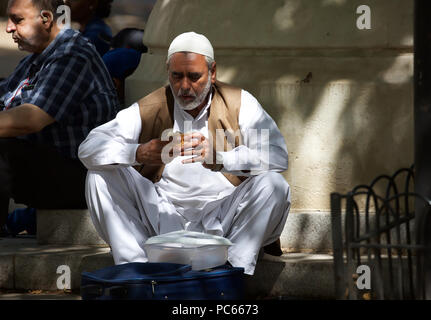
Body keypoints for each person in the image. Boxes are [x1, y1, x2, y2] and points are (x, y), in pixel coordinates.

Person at [78, 32, 291, 275]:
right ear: (167, 71)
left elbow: (277, 156)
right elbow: (88, 149)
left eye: (194, 76)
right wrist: (139, 152)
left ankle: (231, 272)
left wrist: (221, 159)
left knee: (274, 184)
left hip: (224, 219)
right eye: (176, 76)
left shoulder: (240, 102)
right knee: (99, 175)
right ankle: (136, 270)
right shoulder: (150, 107)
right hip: (162, 218)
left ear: (212, 72)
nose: (184, 86)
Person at [0, 0, 119, 235]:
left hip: (84, 179)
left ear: (45, 19)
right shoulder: (37, 57)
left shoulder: (73, 54)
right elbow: (5, 98)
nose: (8, 28)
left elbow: (32, 119)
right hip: (54, 167)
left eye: (17, 19)